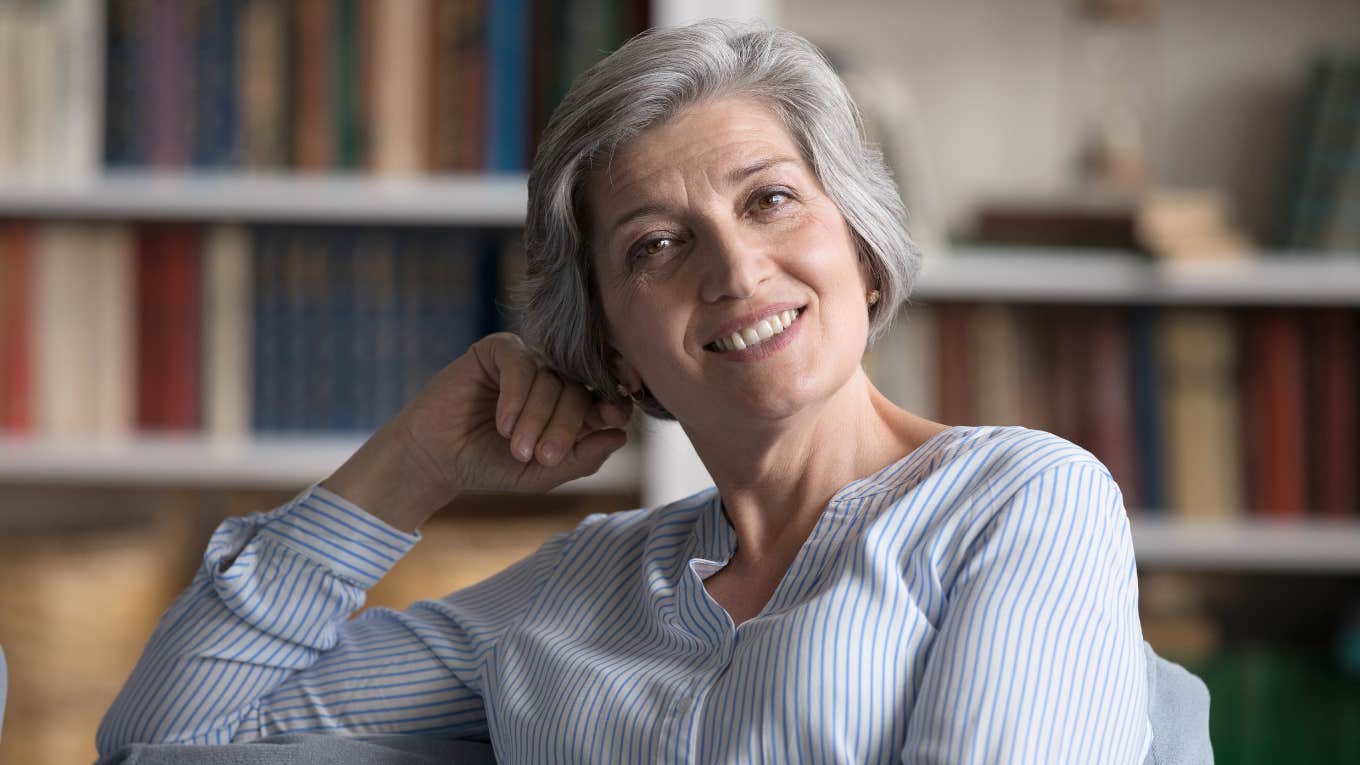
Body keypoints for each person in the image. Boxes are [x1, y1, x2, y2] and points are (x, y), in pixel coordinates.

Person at [98, 19, 1152, 763]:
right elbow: (165, 737)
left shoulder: (1018, 500)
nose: (736, 271)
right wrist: (409, 466)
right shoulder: (577, 585)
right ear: (611, 346)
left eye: (772, 200)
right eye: (657, 245)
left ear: (863, 249)